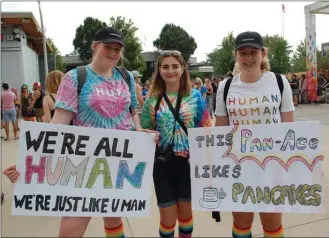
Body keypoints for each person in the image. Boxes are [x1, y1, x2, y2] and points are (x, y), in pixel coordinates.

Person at [3, 26, 156, 238]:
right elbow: (59, 123)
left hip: (119, 163)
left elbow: (131, 111)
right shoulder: (76, 77)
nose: (113, 52)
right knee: (70, 230)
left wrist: (139, 129)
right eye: (107, 47)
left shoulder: (126, 76)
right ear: (95, 46)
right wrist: (27, 160)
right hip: (83, 164)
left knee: (113, 220)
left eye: (117, 49)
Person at [215, 31, 294, 238]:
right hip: (238, 166)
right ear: (236, 55)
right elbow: (220, 131)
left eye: (253, 52)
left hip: (272, 164)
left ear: (263, 53)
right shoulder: (226, 87)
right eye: (243, 53)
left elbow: (289, 128)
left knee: (272, 223)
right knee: (242, 223)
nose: (248, 58)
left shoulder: (279, 82)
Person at [141, 50, 212, 238]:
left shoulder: (196, 97)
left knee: (186, 216)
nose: (170, 71)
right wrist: (146, 134)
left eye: (175, 66)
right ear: (159, 70)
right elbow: (144, 130)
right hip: (162, 165)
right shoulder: (151, 99)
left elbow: (205, 129)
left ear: (183, 69)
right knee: (167, 219)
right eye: (165, 67)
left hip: (188, 165)